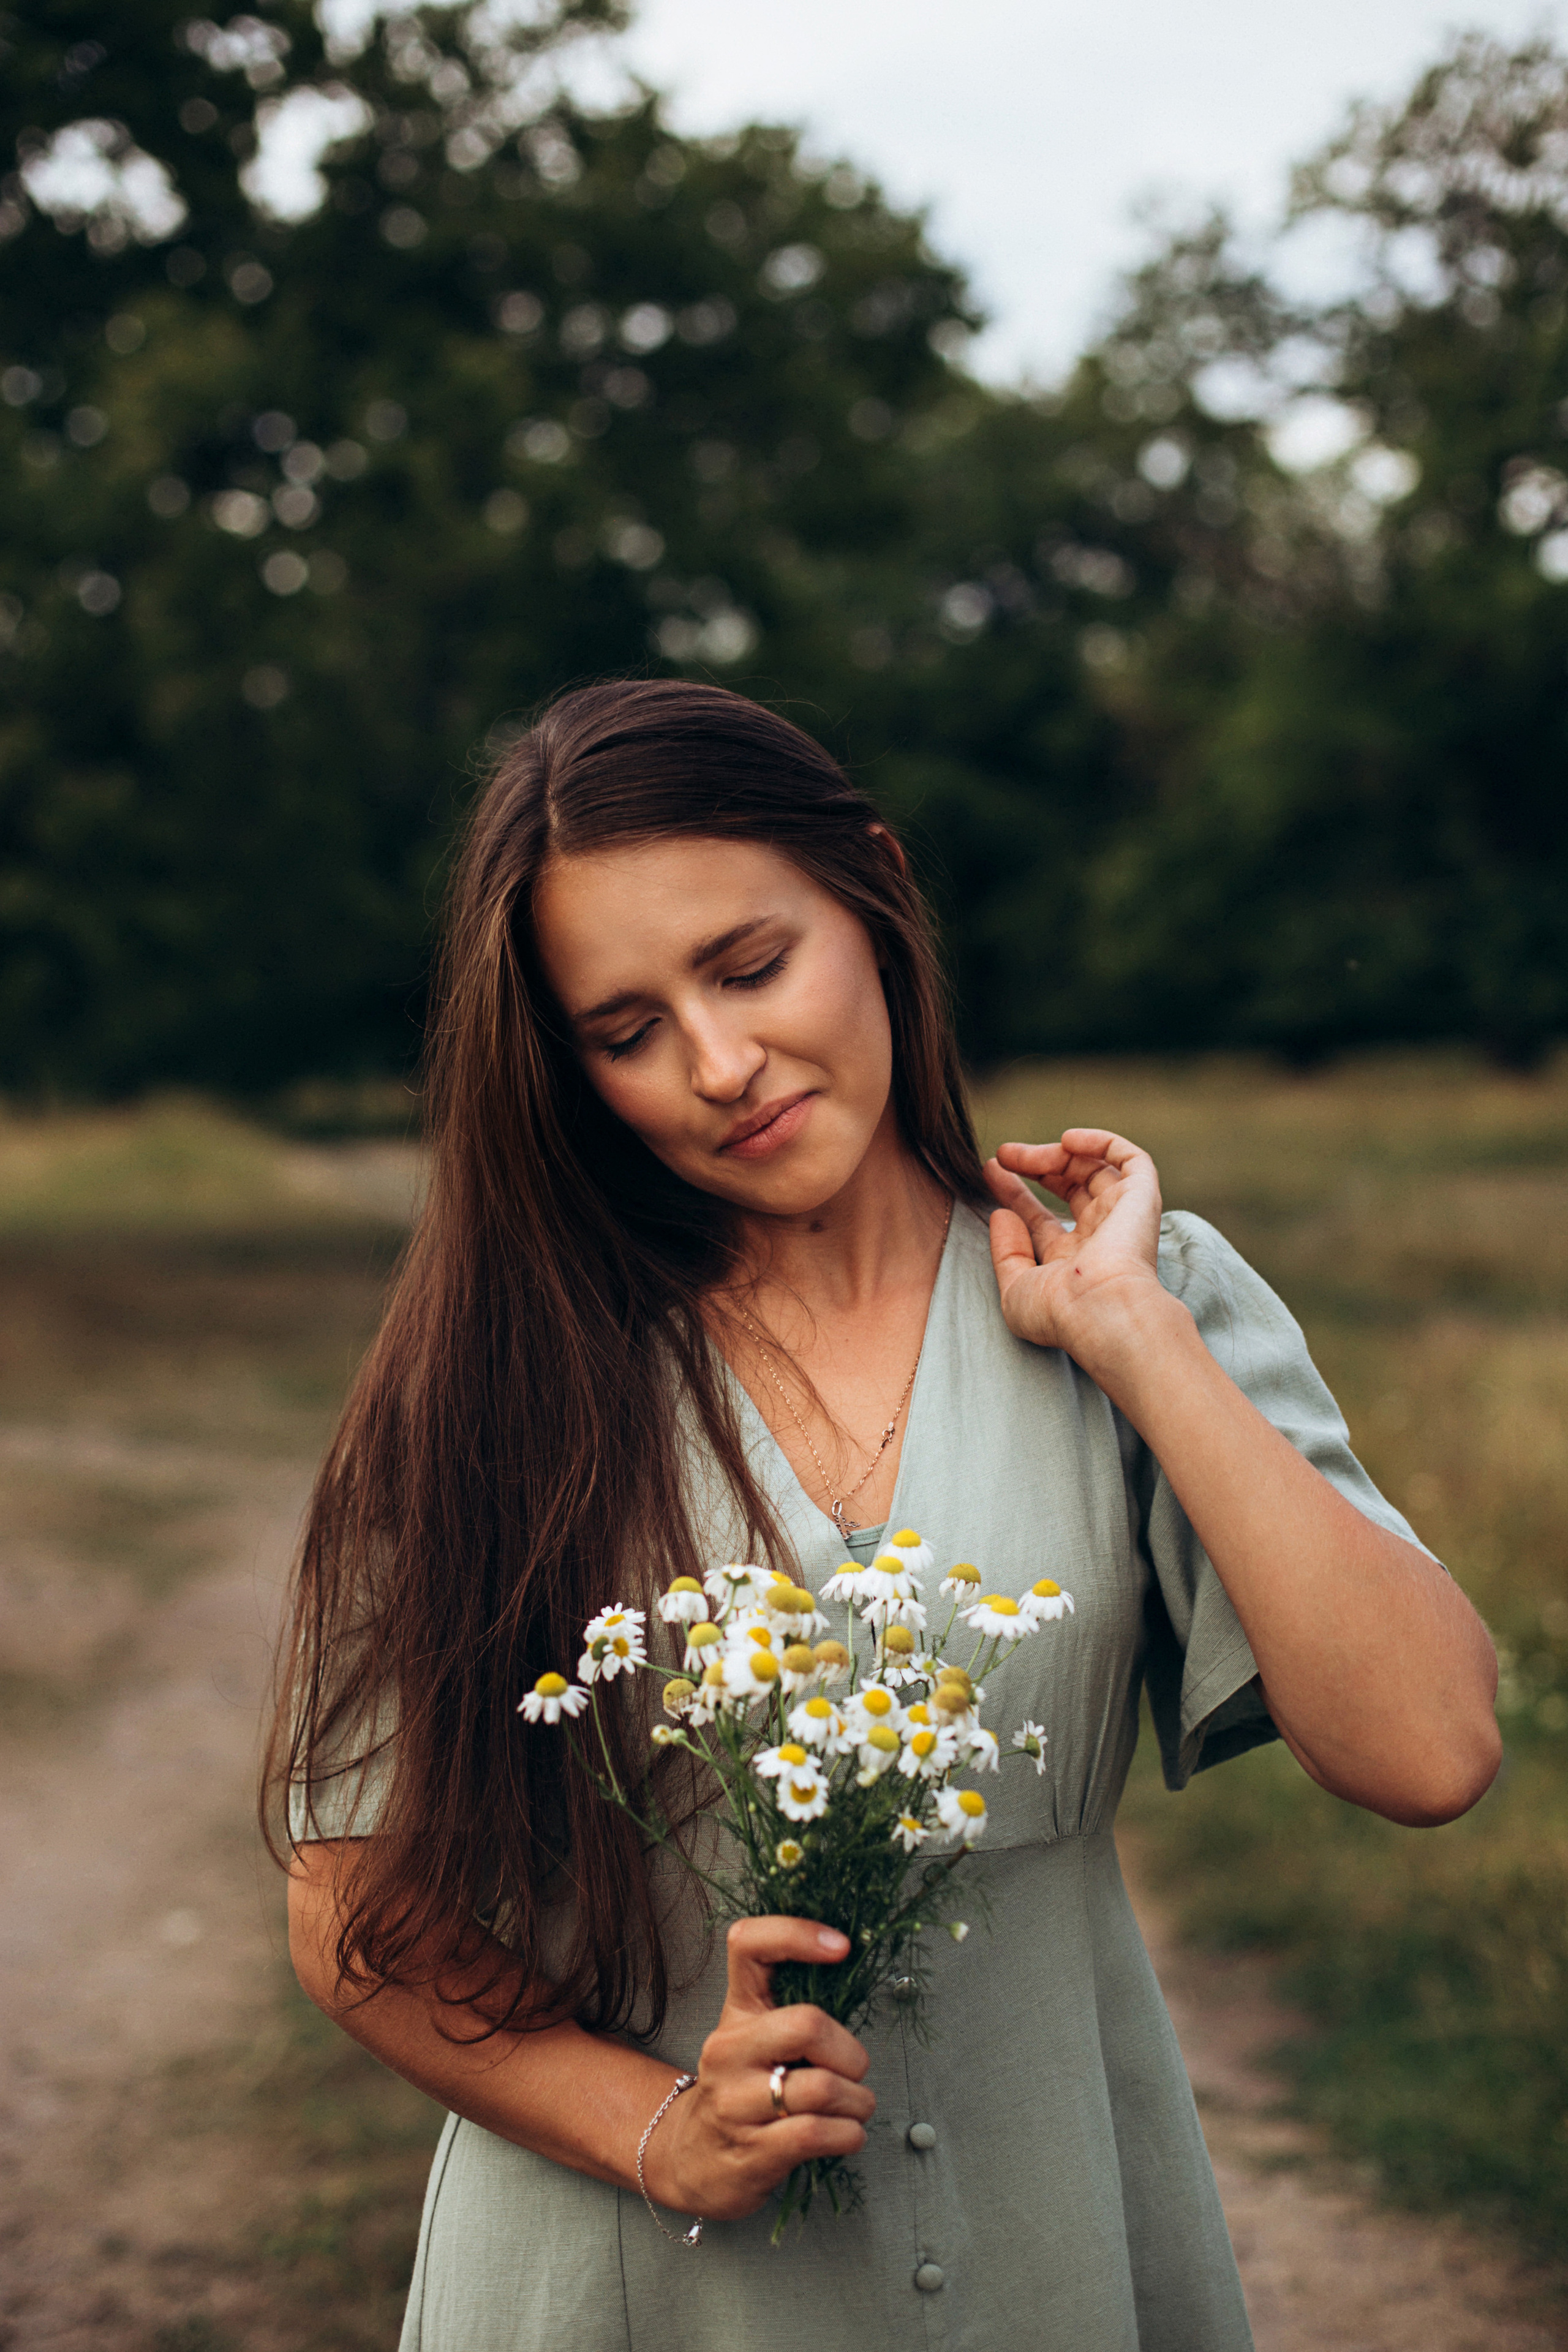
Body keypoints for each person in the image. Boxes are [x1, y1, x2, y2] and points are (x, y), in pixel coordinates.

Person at [269, 677, 1500, 2352]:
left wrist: (1138, 1342)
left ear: (875, 888)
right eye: (626, 1033)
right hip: (628, 2294)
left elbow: (1428, 1753)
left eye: (750, 965)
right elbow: (353, 1910)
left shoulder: (1144, 1299)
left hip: (1052, 2259)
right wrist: (657, 2130)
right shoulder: (497, 1379)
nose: (720, 1066)